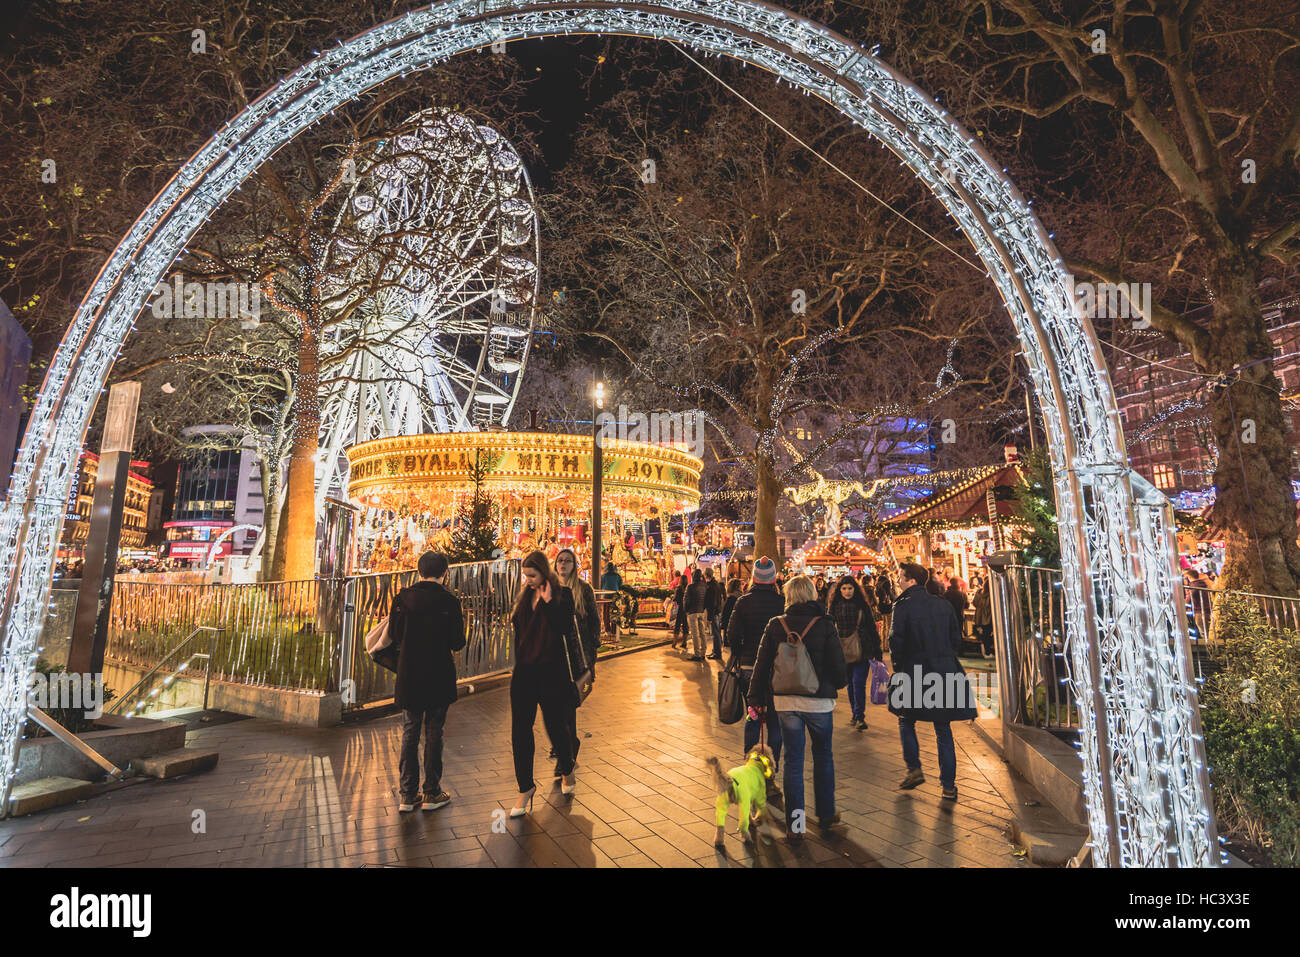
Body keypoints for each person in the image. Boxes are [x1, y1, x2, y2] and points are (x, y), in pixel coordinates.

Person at [749, 574, 847, 839]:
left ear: (789, 596)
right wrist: (838, 683)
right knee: (823, 754)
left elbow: (762, 664)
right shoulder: (825, 624)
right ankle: (826, 813)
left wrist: (755, 698)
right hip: (819, 701)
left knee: (793, 760)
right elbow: (838, 666)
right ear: (812, 595)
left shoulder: (775, 625)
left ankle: (795, 825)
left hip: (785, 701)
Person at [507, 550, 588, 817]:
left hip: (551, 672)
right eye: (526, 576)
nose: (528, 580)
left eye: (532, 575)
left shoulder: (562, 596)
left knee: (555, 726)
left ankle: (566, 769)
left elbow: (565, 628)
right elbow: (519, 632)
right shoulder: (524, 598)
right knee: (520, 729)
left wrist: (550, 602)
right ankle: (525, 787)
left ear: (544, 572)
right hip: (524, 674)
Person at [889, 562, 977, 802]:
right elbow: (955, 638)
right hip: (944, 670)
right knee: (943, 728)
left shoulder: (903, 607)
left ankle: (914, 768)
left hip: (913, 670)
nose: (898, 580)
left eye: (901, 577)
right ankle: (948, 786)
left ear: (911, 581)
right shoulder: (943, 604)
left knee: (906, 720)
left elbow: (895, 642)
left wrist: (898, 669)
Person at [389, 551, 465, 813]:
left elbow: (395, 634)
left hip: (410, 673)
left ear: (419, 571)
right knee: (434, 731)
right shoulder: (449, 601)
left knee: (410, 731)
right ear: (445, 572)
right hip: (438, 674)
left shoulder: (403, 598)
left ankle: (407, 795)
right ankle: (432, 791)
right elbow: (457, 642)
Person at [725, 556, 785, 800]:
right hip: (777, 671)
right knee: (775, 723)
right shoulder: (782, 602)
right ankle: (771, 774)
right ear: (773, 579)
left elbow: (731, 635)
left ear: (754, 579)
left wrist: (740, 653)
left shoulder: (743, 602)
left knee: (753, 719)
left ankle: (750, 769)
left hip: (750, 668)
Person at [555, 547, 600, 770]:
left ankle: (568, 749)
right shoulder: (550, 589)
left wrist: (591, 654)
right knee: (557, 707)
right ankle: (565, 746)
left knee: (568, 705)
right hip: (555, 655)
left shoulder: (583, 590)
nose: (563, 564)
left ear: (574, 565)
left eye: (567, 561)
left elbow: (594, 622)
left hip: (577, 655)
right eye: (560, 561)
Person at [828, 574, 882, 731]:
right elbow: (829, 628)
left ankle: (859, 716)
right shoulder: (834, 606)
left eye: (850, 588)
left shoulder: (862, 606)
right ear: (839, 590)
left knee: (859, 683)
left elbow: (871, 627)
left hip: (862, 649)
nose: (847, 591)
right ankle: (855, 713)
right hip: (842, 651)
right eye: (844, 588)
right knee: (850, 684)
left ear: (855, 589)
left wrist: (877, 649)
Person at [684, 564, 715, 661]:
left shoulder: (690, 587)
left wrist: (686, 610)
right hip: (701, 611)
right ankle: (703, 652)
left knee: (695, 634)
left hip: (693, 612)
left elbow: (687, 600)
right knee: (702, 633)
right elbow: (706, 599)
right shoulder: (704, 586)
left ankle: (697, 654)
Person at [972, 577, 994, 659]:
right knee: (988, 635)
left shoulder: (978, 592)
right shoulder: (991, 594)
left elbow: (974, 603)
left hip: (979, 616)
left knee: (982, 635)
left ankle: (985, 652)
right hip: (988, 617)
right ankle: (987, 653)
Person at [599, 561, 623, 638]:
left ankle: (607, 630)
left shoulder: (603, 576)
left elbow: (600, 585)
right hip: (615, 596)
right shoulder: (617, 576)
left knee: (606, 613)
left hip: (606, 596)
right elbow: (620, 585)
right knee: (614, 613)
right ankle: (614, 631)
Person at [705, 567, 724, 660]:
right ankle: (715, 651)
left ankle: (717, 653)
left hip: (714, 612)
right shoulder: (715, 584)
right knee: (716, 633)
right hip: (717, 611)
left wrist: (709, 617)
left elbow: (712, 603)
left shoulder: (711, 586)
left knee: (715, 633)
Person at [672, 567, 691, 649]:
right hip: (686, 608)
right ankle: (684, 642)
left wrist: (673, 597)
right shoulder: (688, 588)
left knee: (677, 625)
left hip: (679, 608)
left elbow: (675, 598)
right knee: (685, 625)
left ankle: (674, 642)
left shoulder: (678, 588)